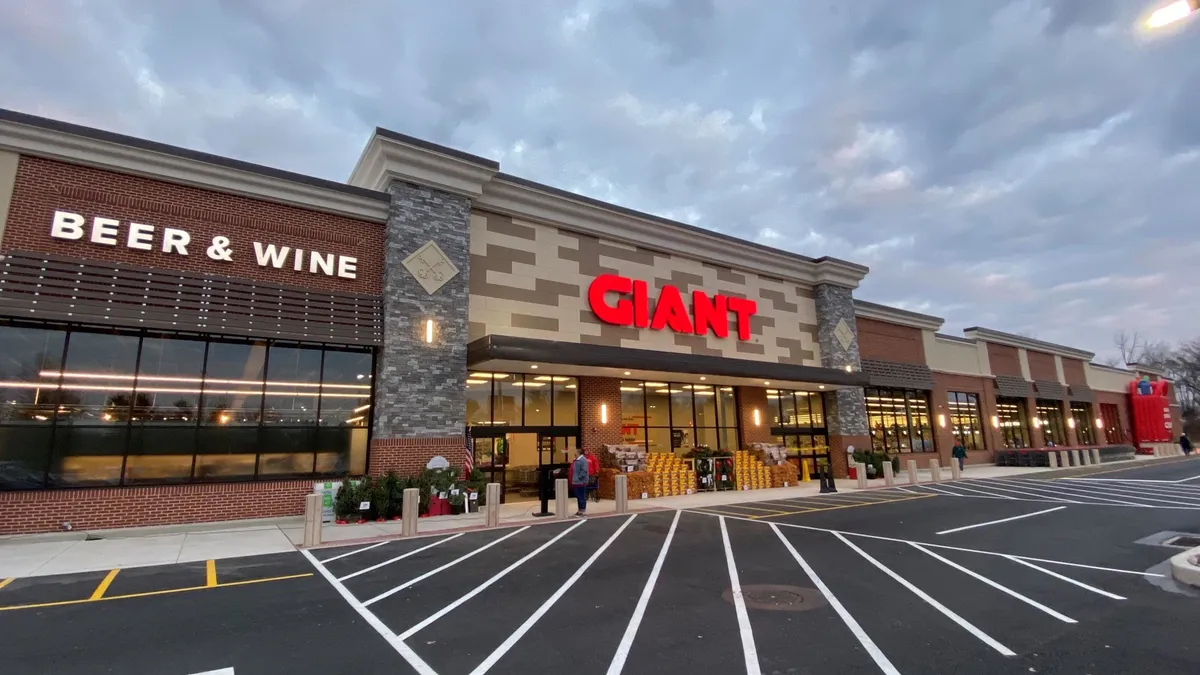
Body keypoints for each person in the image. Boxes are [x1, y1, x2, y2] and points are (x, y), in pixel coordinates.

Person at [568, 447, 591, 517]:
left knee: (581, 496)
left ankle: (583, 510)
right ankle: (579, 510)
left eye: (575, 452)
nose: (574, 453)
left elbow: (584, 471)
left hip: (580, 482)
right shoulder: (576, 460)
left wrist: (579, 478)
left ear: (578, 453)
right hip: (575, 482)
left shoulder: (583, 460)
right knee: (578, 496)